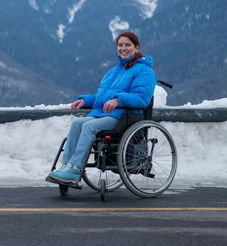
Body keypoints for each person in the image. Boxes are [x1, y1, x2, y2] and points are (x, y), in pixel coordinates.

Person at [47, 31, 156, 184]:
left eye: (127, 45)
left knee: (89, 126)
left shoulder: (145, 71)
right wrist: (86, 101)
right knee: (77, 124)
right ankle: (65, 166)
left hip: (124, 116)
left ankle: (75, 168)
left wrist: (119, 100)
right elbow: (101, 99)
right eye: (120, 45)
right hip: (104, 113)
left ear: (136, 47)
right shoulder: (113, 72)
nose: (123, 48)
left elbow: (141, 99)